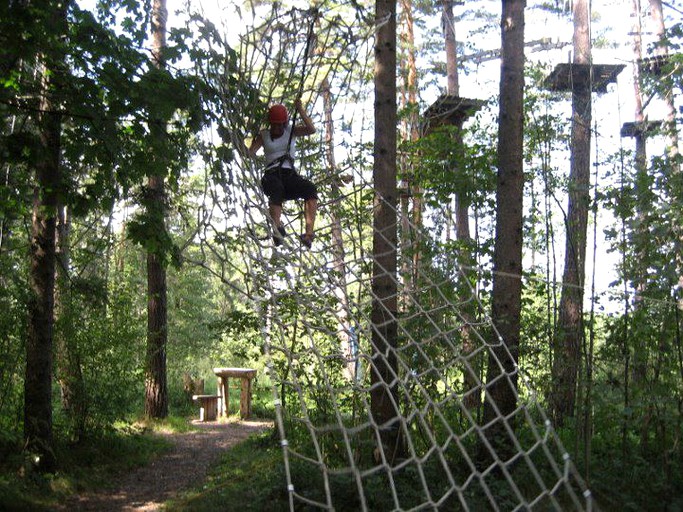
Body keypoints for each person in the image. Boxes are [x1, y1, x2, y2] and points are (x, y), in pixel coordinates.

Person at [249, 99, 318, 248]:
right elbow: (250, 153)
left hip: (289, 176)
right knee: (277, 189)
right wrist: (243, 143)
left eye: (280, 124)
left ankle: (308, 234)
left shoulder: (291, 131)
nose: (277, 128)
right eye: (274, 124)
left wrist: (300, 110)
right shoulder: (264, 135)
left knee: (310, 189)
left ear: (284, 123)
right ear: (270, 123)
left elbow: (311, 130)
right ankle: (277, 229)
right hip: (271, 176)